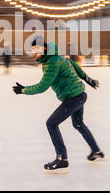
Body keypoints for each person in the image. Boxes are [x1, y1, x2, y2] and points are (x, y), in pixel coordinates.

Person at [12, 37, 104, 174]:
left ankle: (62, 159)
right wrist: (87, 79)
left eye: (37, 48)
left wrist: (24, 90)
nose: (35, 51)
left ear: (44, 48)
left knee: (51, 123)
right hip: (78, 95)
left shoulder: (52, 63)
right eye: (33, 49)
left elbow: (42, 87)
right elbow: (72, 64)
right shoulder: (57, 58)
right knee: (78, 124)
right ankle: (96, 151)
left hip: (73, 98)